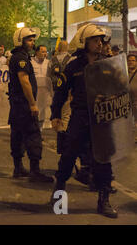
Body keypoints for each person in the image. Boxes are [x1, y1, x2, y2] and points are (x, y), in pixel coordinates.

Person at [51, 23, 118, 218]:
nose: (99, 44)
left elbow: (118, 88)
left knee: (104, 160)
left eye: (100, 40)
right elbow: (61, 92)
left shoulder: (107, 63)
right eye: (95, 40)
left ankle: (104, 200)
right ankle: (59, 191)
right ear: (84, 42)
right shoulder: (73, 65)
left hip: (102, 118)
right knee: (69, 155)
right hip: (80, 117)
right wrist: (55, 115)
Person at [7, 27, 53, 183]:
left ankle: (18, 168)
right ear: (20, 41)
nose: (32, 42)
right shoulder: (21, 58)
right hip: (24, 105)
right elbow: (24, 81)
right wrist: (32, 104)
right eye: (29, 39)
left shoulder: (20, 57)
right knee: (33, 135)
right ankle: (35, 171)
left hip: (17, 105)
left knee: (18, 135)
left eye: (33, 40)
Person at [31, 45, 53, 131]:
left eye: (46, 52)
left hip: (45, 93)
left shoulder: (49, 63)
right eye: (42, 52)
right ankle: (33, 132)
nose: (45, 54)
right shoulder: (31, 62)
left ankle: (39, 132)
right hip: (34, 92)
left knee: (43, 113)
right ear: (36, 52)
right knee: (34, 112)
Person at [127, 54, 137, 125]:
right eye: (129, 60)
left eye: (133, 60)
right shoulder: (123, 74)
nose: (131, 62)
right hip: (127, 108)